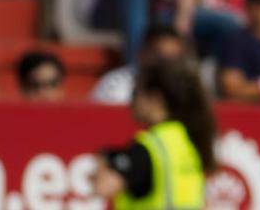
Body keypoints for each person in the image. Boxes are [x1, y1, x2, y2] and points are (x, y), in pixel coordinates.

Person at [92, 57, 215, 208]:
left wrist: (103, 166)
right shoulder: (187, 141)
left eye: (135, 92)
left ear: (155, 99)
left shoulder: (149, 147)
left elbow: (103, 187)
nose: (130, 100)